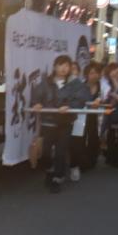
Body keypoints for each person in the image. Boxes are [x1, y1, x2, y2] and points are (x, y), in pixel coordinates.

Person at [31, 54, 90, 193]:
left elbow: (82, 99)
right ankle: (49, 171)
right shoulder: (46, 82)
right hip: (48, 122)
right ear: (55, 66)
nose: (64, 68)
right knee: (45, 152)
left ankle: (57, 178)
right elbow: (36, 96)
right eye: (61, 65)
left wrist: (69, 106)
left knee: (60, 151)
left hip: (65, 123)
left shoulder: (75, 83)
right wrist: (37, 104)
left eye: (67, 65)